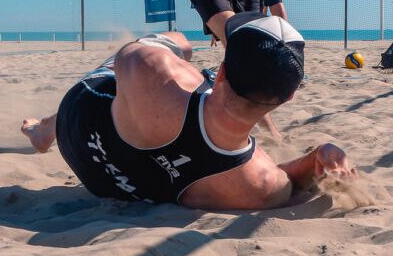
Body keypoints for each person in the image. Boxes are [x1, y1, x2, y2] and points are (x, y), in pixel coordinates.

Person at [20, 13, 354, 210]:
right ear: (290, 97)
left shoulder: (154, 70)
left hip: (76, 125)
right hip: (110, 186)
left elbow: (130, 57)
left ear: (222, 72)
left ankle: (42, 131)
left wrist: (194, 76)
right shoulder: (261, 183)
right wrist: (316, 158)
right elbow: (292, 182)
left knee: (179, 41)